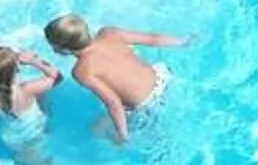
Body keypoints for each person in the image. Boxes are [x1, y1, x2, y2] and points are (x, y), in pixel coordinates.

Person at [44, 13, 189, 146]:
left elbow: (114, 103)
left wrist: (123, 136)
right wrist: (184, 41)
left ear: (63, 49)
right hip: (162, 78)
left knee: (97, 130)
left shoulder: (82, 71)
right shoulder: (109, 33)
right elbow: (153, 39)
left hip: (146, 104)